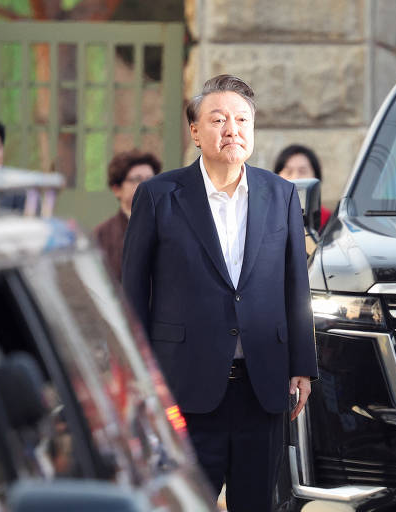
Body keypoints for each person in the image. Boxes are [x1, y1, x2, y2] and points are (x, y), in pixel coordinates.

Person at [122, 74, 317, 512]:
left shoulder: (281, 194)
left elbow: (295, 286)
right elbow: (132, 291)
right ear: (195, 131)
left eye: (241, 119)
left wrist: (302, 366)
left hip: (261, 387)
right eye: (218, 119)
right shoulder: (159, 196)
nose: (232, 128)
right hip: (184, 388)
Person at [93, 150, 160, 282]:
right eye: (137, 180)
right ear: (117, 189)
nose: (147, 186)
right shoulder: (102, 235)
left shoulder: (172, 226)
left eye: (151, 179)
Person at [273, 144, 331, 229]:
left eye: (303, 171)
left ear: (316, 177)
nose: (295, 178)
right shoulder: (267, 220)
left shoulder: (330, 222)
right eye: (288, 172)